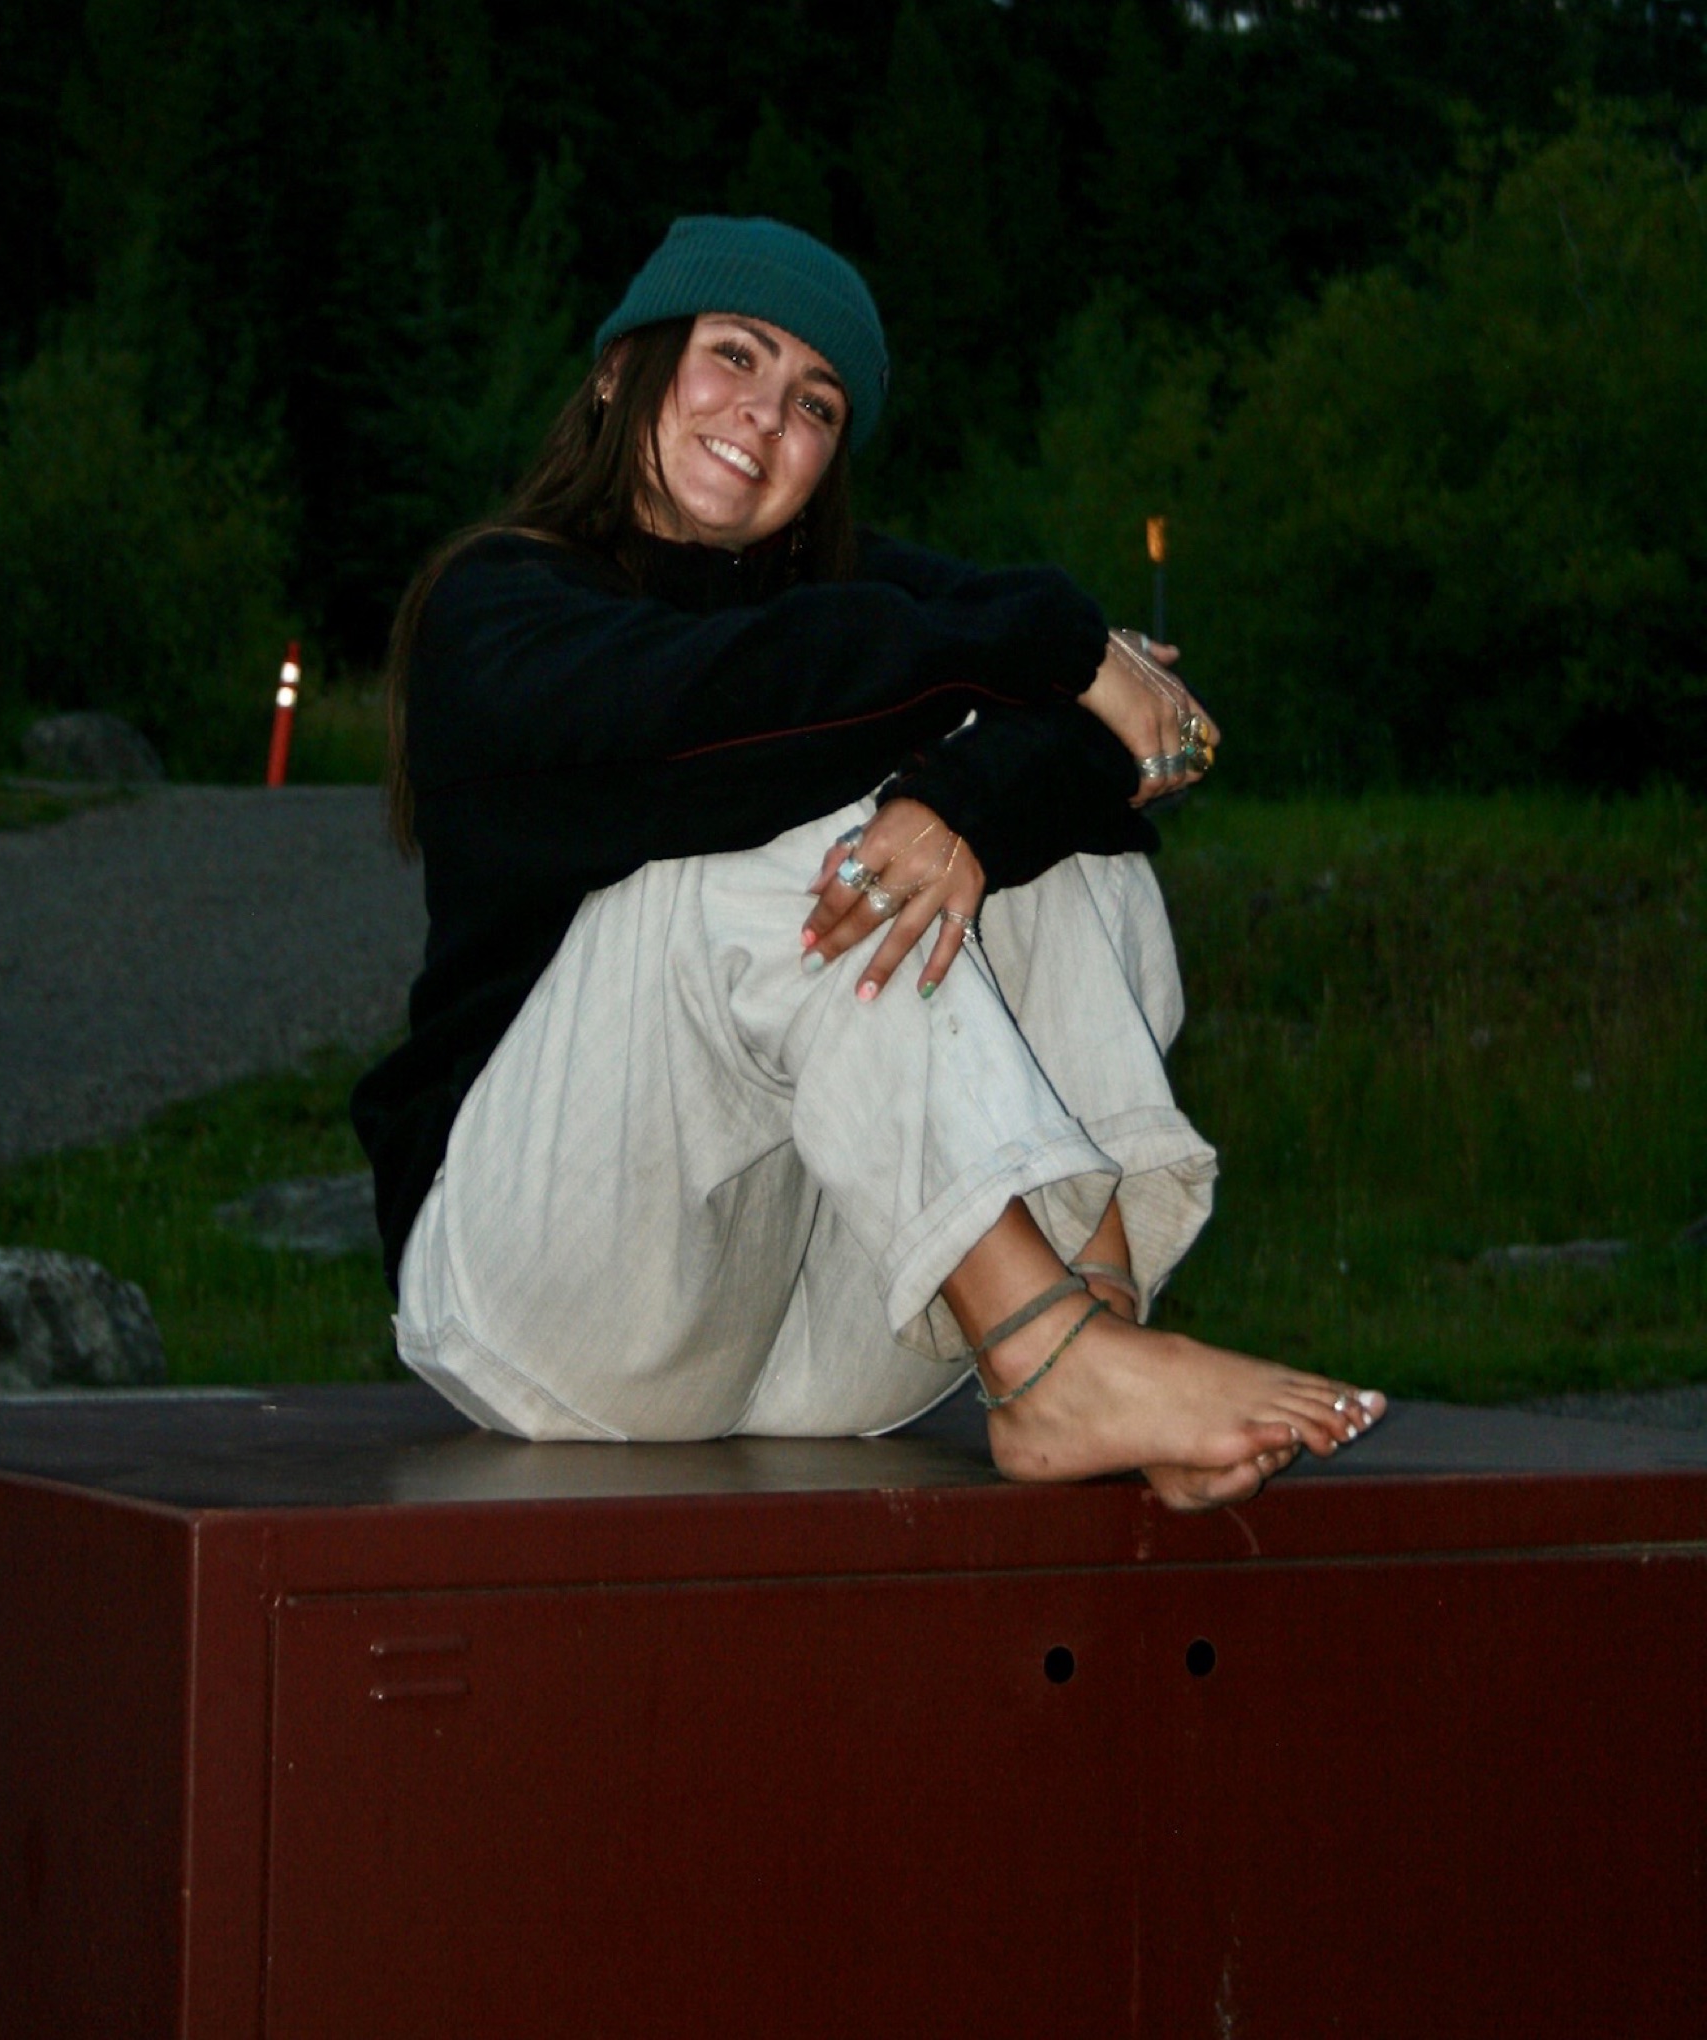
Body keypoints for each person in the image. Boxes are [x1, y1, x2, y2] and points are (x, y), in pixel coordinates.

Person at [354, 214, 1383, 1507]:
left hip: (828, 1337)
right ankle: (1053, 1351)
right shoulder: (497, 605)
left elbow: (1122, 759)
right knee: (786, 857)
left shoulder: (855, 609)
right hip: (545, 1293)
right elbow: (718, 717)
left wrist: (966, 809)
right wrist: (1055, 653)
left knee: (1054, 855)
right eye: (735, 355)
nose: (766, 414)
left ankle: (1096, 1329)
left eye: (817, 403)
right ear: (621, 368)